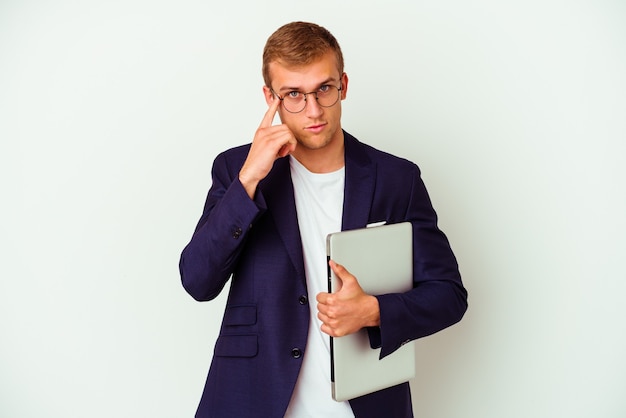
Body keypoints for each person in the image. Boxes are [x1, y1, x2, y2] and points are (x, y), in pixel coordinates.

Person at [179, 21, 468, 418]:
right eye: (293, 95)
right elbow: (197, 281)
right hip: (254, 399)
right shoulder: (236, 170)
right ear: (271, 98)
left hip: (366, 403)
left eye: (324, 89)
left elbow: (449, 294)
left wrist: (373, 311)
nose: (313, 110)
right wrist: (248, 181)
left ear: (343, 85)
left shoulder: (396, 178)